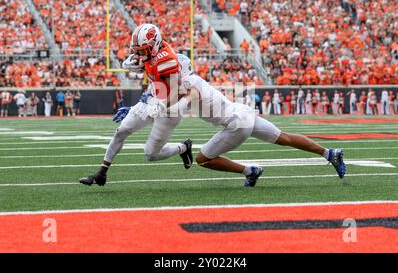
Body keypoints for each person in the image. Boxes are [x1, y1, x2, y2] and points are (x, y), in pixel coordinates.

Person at [166, 59, 346, 187]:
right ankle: (329, 153)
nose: (169, 75)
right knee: (285, 137)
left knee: (202, 160)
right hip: (242, 113)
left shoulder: (189, 83)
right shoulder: (191, 80)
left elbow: (187, 96)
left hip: (237, 123)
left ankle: (250, 171)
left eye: (171, 70)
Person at [79, 24, 193, 186]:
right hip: (152, 100)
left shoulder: (167, 61)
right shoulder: (149, 52)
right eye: (137, 50)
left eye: (142, 50)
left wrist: (160, 106)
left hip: (169, 108)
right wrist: (133, 62)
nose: (139, 53)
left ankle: (183, 147)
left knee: (150, 154)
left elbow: (178, 91)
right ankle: (101, 173)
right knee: (121, 131)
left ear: (154, 45)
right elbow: (148, 70)